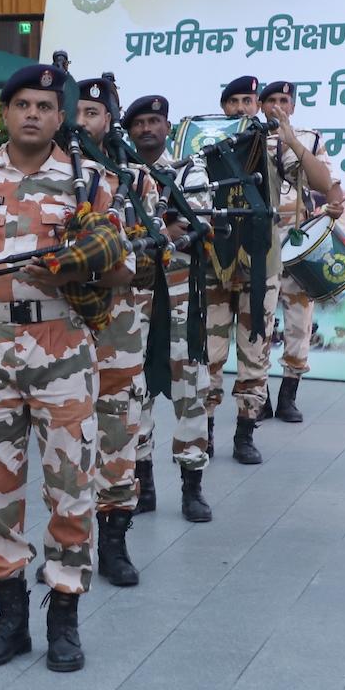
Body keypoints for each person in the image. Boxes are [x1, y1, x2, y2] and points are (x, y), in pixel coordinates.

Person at [0, 62, 127, 674]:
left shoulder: (91, 182)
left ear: (61, 117)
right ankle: (10, 618)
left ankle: (63, 616)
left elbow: (124, 270)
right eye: (23, 104)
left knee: (72, 487)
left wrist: (73, 269)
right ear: (6, 112)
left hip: (64, 343)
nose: (34, 114)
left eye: (46, 105)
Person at [202, 76, 332, 465]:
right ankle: (204, 435)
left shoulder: (274, 145)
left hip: (262, 267)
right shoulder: (203, 144)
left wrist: (291, 138)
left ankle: (245, 432)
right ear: (224, 107)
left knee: (255, 354)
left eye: (249, 101)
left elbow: (321, 182)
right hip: (215, 266)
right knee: (208, 356)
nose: (242, 108)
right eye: (235, 101)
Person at [74, 77, 151, 586]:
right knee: (65, 441)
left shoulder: (136, 180)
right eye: (75, 113)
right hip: (60, 329)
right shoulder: (52, 177)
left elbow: (151, 253)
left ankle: (115, 544)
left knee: (118, 434)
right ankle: (67, 543)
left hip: (119, 325)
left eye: (93, 114)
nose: (83, 123)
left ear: (109, 120)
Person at [125, 94, 212, 522]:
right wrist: (165, 223)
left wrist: (151, 229)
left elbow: (197, 222)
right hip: (134, 300)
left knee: (190, 391)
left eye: (154, 121)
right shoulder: (117, 173)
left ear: (167, 126)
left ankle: (192, 487)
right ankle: (143, 484)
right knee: (132, 390)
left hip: (180, 297)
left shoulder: (188, 169)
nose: (146, 129)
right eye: (138, 122)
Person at [258, 80, 339, 425]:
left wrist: (335, 204)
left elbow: (328, 182)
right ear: (261, 106)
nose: (278, 106)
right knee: (258, 322)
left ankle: (289, 394)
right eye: (271, 100)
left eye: (284, 100)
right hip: (261, 241)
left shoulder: (309, 137)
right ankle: (256, 394)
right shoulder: (250, 138)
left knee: (298, 322)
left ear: (292, 106)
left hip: (298, 239)